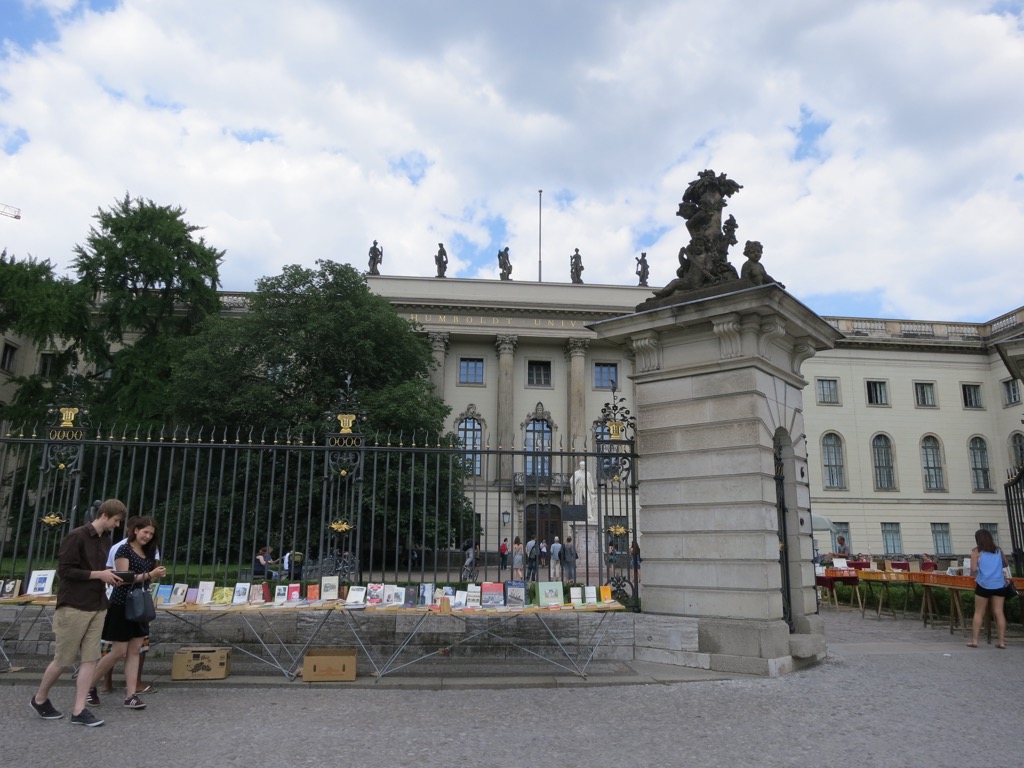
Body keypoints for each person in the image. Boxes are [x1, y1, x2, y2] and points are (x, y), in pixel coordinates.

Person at [31, 499, 127, 727]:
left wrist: (110, 575)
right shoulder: (76, 536)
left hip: (97, 605)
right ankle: (40, 698)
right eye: (115, 520)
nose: (117, 525)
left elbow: (98, 570)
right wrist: (99, 575)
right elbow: (65, 571)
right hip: (74, 605)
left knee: (90, 659)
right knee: (63, 659)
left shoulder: (106, 540)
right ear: (104, 515)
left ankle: (79, 709)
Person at [88, 515, 165, 710]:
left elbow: (145, 578)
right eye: (145, 532)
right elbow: (123, 579)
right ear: (136, 530)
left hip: (140, 604)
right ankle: (88, 685)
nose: (147, 536)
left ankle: (131, 695)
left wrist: (153, 576)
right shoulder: (124, 549)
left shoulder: (149, 551)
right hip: (122, 603)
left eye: (151, 534)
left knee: (135, 650)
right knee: (118, 651)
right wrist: (149, 575)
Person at [968, 528, 1010, 649]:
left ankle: (975, 641)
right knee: (999, 612)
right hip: (999, 584)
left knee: (979, 612)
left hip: (983, 584)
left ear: (978, 539)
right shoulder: (998, 550)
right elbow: (1006, 563)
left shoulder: (976, 551)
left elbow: (973, 569)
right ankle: (1001, 641)